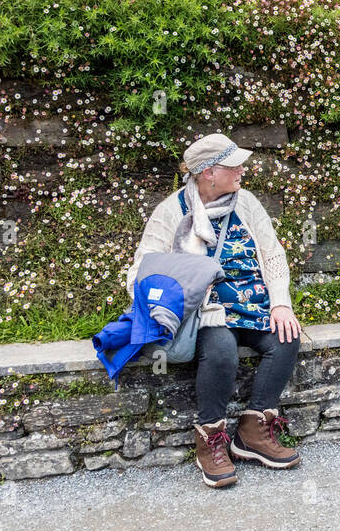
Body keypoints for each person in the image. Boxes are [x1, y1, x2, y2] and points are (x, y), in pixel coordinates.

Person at [126, 133, 303, 488]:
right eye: (233, 165)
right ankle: (210, 440)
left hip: (254, 302)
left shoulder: (247, 203)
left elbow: (272, 254)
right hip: (208, 311)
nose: (242, 170)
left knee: (286, 338)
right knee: (221, 351)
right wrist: (178, 291)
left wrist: (281, 303)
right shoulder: (171, 211)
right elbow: (140, 272)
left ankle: (253, 431)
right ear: (208, 172)